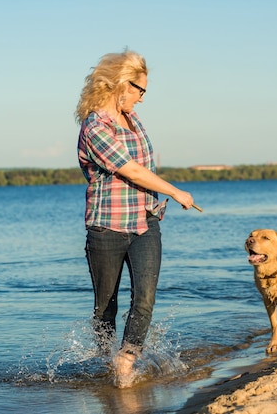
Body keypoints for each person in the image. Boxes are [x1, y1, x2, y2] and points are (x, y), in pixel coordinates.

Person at [75, 49, 195, 388]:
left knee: (144, 297)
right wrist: (175, 191)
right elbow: (131, 169)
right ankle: (103, 362)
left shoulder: (134, 120)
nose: (141, 98)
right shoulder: (95, 126)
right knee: (105, 307)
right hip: (107, 228)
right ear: (119, 83)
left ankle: (126, 360)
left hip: (145, 223)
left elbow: (144, 167)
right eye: (139, 90)